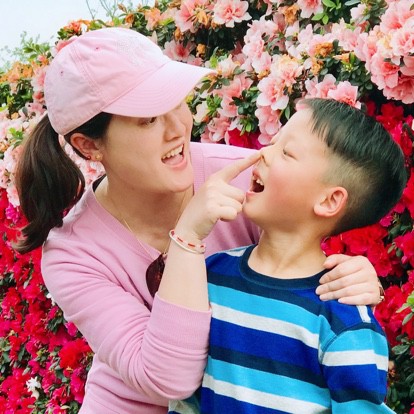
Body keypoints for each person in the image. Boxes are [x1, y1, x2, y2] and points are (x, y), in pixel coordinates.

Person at [14, 27, 382, 414]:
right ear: (89, 145)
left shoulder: (245, 178)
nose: (178, 128)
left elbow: (305, 263)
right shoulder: (73, 254)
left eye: (177, 102)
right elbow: (169, 381)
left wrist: (353, 278)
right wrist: (188, 238)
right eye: (149, 119)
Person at [166, 98, 406, 413]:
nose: (262, 153)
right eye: (273, 143)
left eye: (286, 152)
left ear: (329, 200)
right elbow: (188, 399)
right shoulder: (213, 275)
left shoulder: (341, 318)